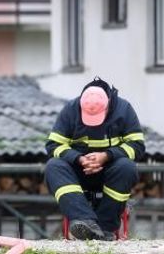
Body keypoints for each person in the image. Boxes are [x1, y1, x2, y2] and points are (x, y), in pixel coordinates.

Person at [44, 77, 145, 240]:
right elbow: (53, 145)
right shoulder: (70, 110)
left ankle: (105, 228)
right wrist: (78, 159)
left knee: (127, 167)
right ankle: (85, 221)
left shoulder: (124, 109)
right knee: (53, 166)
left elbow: (138, 146)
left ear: (108, 106)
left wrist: (107, 156)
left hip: (111, 172)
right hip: (78, 172)